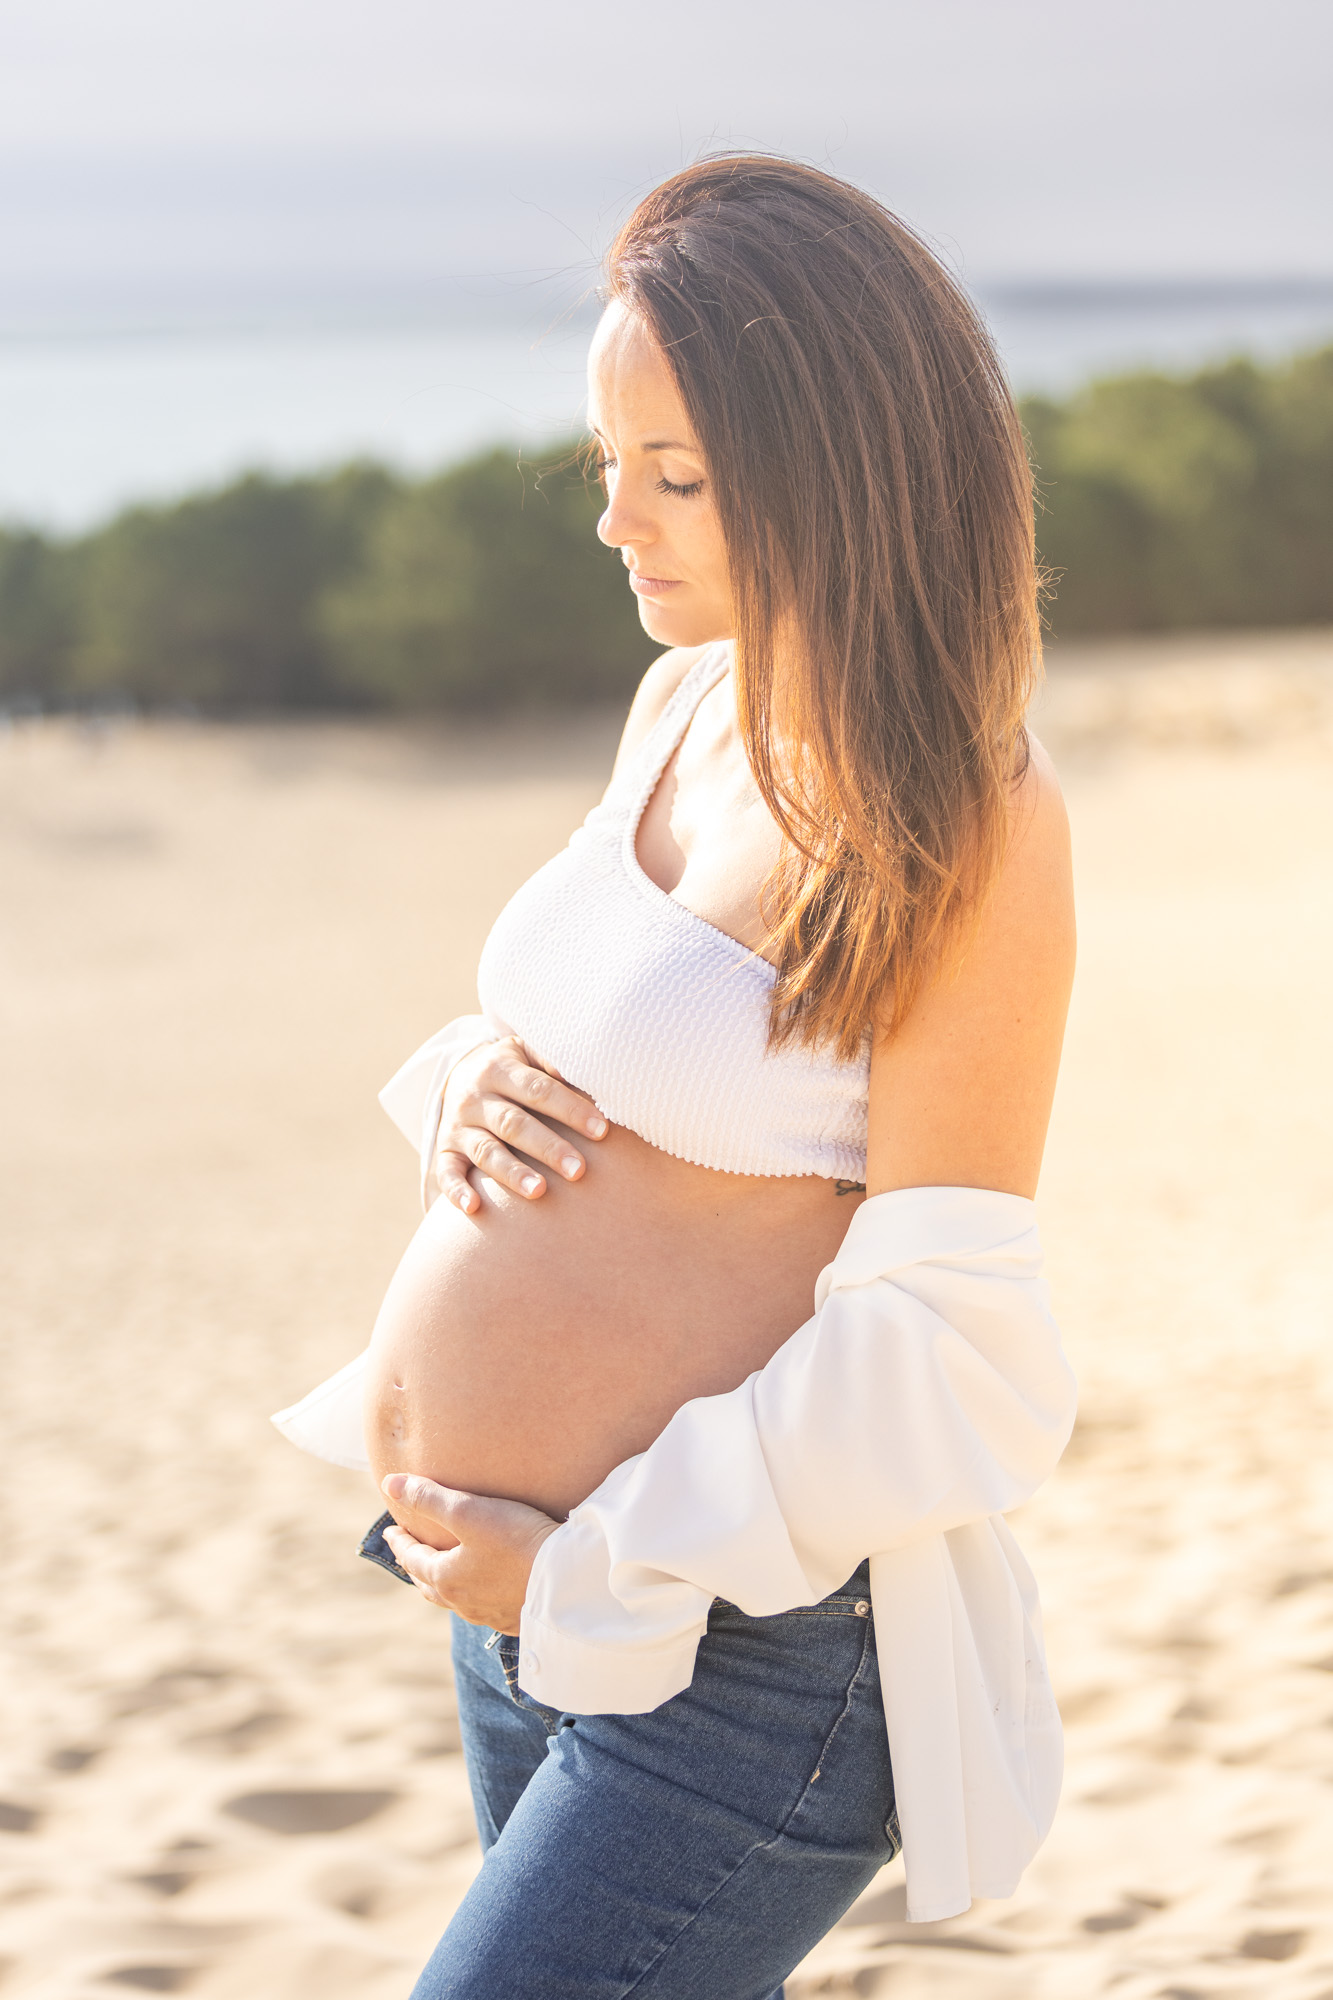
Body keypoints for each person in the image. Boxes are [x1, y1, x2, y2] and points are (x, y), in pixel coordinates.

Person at [274, 154, 1077, 1999]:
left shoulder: (964, 817)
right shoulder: (683, 704)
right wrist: (467, 1072)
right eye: (607, 467)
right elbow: (619, 1040)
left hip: (738, 1663)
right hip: (512, 1608)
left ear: (832, 472)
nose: (617, 522)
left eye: (680, 478)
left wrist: (595, 1573)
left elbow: (957, 1355)